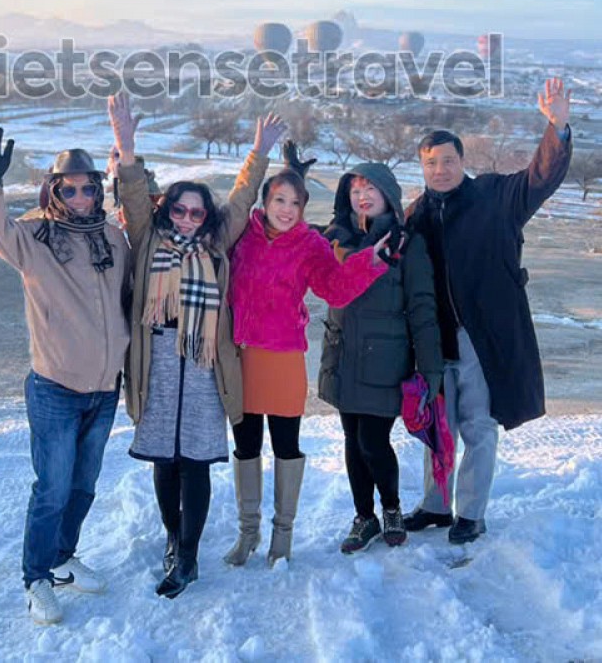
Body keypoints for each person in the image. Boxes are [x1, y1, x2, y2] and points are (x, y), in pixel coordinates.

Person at [108, 94, 282, 599]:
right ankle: (171, 538)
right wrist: (126, 144)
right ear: (168, 212)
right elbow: (134, 193)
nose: (187, 219)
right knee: (166, 460)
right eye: (180, 211)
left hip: (204, 364)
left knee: (197, 463)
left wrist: (258, 152)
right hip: (158, 360)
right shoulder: (147, 238)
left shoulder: (215, 244)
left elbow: (244, 197)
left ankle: (188, 554)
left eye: (196, 213)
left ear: (206, 218)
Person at [403, 77, 573, 548]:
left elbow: (540, 177)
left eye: (449, 161)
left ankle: (470, 514)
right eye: (431, 163)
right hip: (435, 342)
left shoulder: (496, 198)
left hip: (482, 338)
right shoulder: (416, 214)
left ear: (464, 162)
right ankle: (435, 505)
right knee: (437, 429)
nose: (440, 170)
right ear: (423, 166)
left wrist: (556, 127)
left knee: (478, 426)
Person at [0, 126, 130, 627]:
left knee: (84, 485)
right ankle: (36, 578)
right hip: (55, 387)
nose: (80, 196)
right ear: (53, 190)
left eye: (88, 187)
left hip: (105, 388)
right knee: (53, 488)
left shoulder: (111, 236)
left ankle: (63, 558)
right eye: (69, 188)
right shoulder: (35, 235)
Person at [223, 149, 393, 568]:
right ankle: (248, 533)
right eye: (279, 200)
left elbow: (334, 289)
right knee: (246, 447)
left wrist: (371, 260)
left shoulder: (309, 244)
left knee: (285, 446)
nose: (287, 210)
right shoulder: (242, 233)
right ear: (265, 202)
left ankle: (283, 536)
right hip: (241, 355)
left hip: (282, 359)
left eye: (295, 203)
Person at [319, 162, 443, 553]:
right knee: (352, 441)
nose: (362, 195)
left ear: (388, 194)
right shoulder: (334, 238)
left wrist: (429, 368)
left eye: (370, 187)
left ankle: (390, 508)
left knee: (373, 440)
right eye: (355, 188)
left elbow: (423, 307)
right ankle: (364, 516)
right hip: (343, 356)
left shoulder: (407, 243)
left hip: (385, 361)